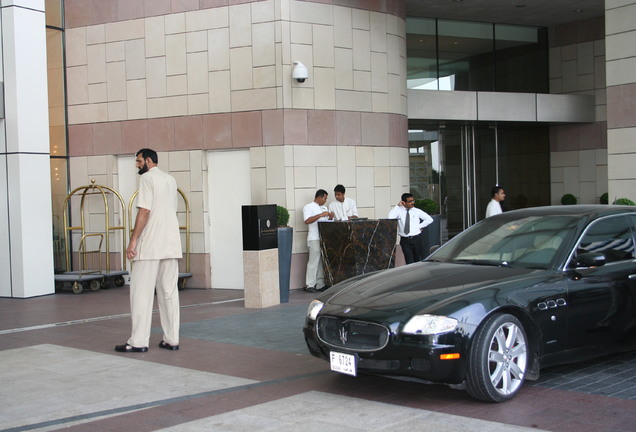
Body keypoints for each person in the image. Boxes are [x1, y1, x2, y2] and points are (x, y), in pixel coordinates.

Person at [116, 148, 182, 353]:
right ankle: (172, 339)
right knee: (169, 292)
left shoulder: (147, 179)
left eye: (138, 161)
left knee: (141, 293)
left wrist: (133, 240)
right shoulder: (170, 180)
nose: (137, 165)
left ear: (149, 161)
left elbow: (144, 211)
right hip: (171, 243)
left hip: (151, 244)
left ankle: (138, 341)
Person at [388, 193, 433, 265]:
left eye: (413, 201)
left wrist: (419, 227)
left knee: (417, 260)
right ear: (403, 202)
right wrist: (397, 206)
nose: (412, 203)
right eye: (410, 201)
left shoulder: (416, 211)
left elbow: (429, 219)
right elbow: (390, 217)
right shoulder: (399, 211)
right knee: (409, 260)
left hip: (416, 239)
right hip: (405, 240)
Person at [303, 189, 334, 292]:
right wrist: (320, 215)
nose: (325, 201)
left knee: (321, 262)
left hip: (323, 238)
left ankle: (320, 284)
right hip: (314, 238)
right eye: (325, 198)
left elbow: (326, 224)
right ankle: (310, 284)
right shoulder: (308, 207)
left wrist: (330, 217)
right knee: (313, 261)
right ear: (319, 197)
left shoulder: (324, 208)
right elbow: (307, 220)